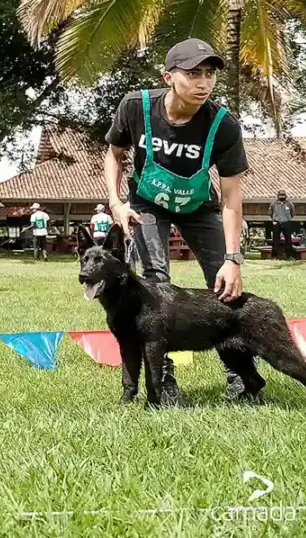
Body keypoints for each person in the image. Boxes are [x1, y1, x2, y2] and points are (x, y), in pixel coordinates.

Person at [104, 38, 248, 403]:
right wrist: (116, 203)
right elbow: (114, 154)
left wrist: (233, 259)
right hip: (147, 204)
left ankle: (241, 376)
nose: (204, 83)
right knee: (154, 286)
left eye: (210, 74)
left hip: (200, 208)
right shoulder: (136, 106)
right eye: (193, 73)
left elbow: (231, 196)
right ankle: (163, 381)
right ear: (168, 76)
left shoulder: (223, 124)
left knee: (227, 290)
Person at [269, 190, 294, 259]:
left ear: (286, 196)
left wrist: (286, 219)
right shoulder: (273, 204)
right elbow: (270, 213)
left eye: (283, 196)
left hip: (286, 222)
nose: (282, 197)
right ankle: (274, 256)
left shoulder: (289, 204)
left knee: (288, 239)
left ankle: (289, 255)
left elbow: (292, 213)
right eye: (281, 196)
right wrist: (275, 219)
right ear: (278, 196)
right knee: (275, 240)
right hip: (276, 222)